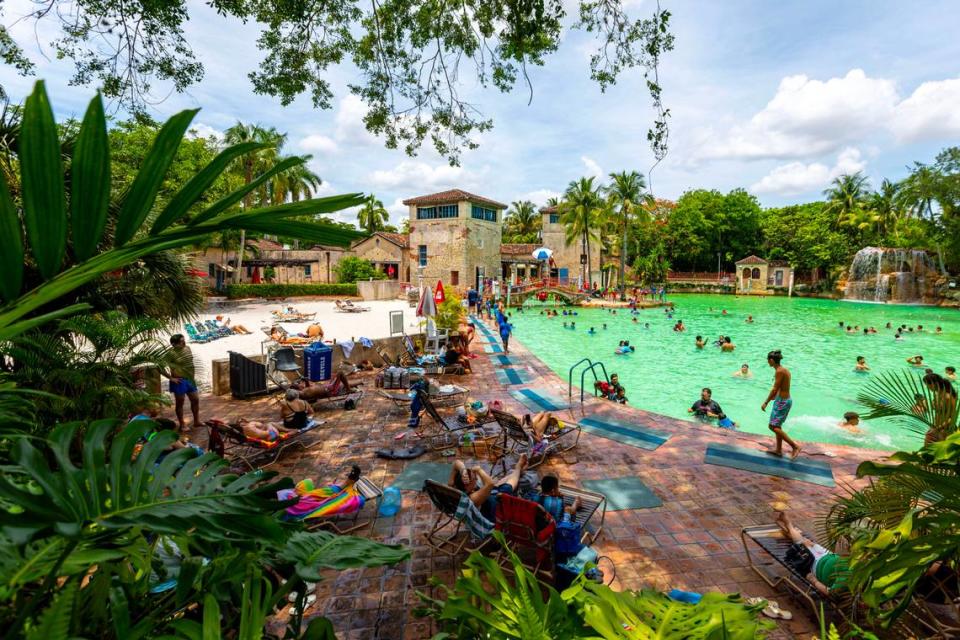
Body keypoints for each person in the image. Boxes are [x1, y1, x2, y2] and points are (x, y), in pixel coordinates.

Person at [775, 511, 849, 596]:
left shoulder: (848, 577)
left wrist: (813, 580)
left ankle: (788, 525)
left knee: (801, 543)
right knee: (806, 542)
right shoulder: (860, 563)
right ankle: (788, 528)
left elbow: (829, 592)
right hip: (828, 555)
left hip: (813, 563)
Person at [449, 453, 529, 522]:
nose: (476, 479)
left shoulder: (452, 486)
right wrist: (479, 470)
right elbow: (489, 484)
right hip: (492, 510)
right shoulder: (472, 498)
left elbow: (456, 463)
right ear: (467, 486)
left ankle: (518, 472)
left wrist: (463, 470)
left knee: (499, 484)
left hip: (489, 497)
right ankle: (518, 468)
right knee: (506, 487)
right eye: (475, 479)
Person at [762, 350, 801, 459]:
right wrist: (775, 397)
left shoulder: (779, 371)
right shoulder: (784, 370)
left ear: (771, 360)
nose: (767, 362)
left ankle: (795, 446)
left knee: (772, 426)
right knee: (777, 425)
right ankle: (778, 450)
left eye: (768, 360)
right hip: (782, 400)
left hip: (782, 402)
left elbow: (775, 389)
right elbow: (781, 387)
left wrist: (766, 402)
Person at [166, 334, 200, 432]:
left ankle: (196, 421)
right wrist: (171, 378)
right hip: (179, 381)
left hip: (190, 380)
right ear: (174, 344)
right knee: (180, 403)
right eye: (181, 341)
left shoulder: (187, 348)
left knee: (195, 399)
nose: (184, 342)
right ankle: (182, 424)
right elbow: (159, 367)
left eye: (184, 340)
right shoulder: (170, 354)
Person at [922, 372, 959, 444]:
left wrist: (938, 428)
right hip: (935, 427)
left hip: (945, 429)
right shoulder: (937, 394)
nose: (927, 387)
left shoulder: (948, 397)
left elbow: (953, 417)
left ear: (934, 384)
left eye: (927, 385)